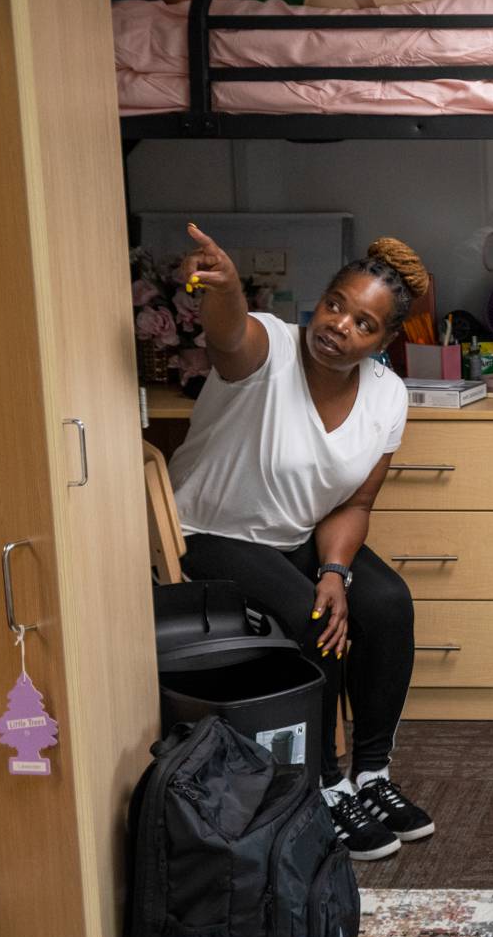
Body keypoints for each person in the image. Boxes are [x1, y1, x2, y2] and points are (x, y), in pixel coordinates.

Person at [169, 226, 435, 861]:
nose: (340, 325)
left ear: (384, 341)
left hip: (298, 538)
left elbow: (355, 503)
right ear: (319, 301)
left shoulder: (387, 396)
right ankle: (323, 782)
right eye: (335, 304)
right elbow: (230, 337)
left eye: (364, 323)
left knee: (387, 602)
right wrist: (225, 288)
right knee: (310, 616)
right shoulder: (271, 351)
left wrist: (337, 569)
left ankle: (371, 774)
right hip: (208, 533)